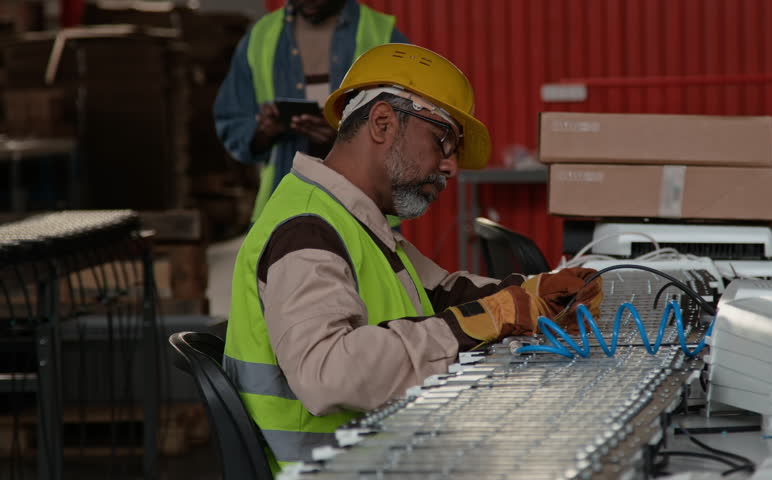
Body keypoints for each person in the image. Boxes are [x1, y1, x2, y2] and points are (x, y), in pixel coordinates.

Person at [223, 43, 604, 474]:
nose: (450, 167)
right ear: (383, 122)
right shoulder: (307, 228)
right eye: (443, 141)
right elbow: (327, 373)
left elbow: (444, 295)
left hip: (380, 452)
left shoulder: (355, 220)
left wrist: (537, 294)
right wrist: (486, 318)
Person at [213, 0, 408, 224]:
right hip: (283, 209)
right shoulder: (261, 36)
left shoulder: (380, 34)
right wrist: (265, 131)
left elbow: (409, 130)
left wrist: (347, 138)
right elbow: (233, 122)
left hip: (367, 212)